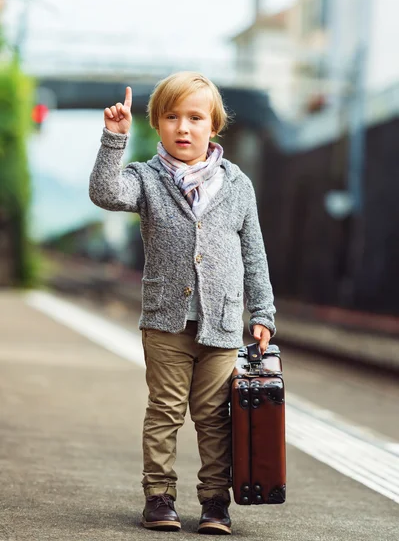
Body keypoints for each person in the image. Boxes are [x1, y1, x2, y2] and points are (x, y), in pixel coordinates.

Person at [89, 71, 276, 535]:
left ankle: (215, 503)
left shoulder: (237, 186)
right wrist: (114, 141)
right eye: (171, 117)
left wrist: (263, 313)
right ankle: (159, 497)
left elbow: (254, 255)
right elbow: (105, 193)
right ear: (156, 125)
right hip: (166, 323)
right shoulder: (145, 178)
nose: (183, 127)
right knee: (166, 411)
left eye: (195, 117)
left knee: (215, 418)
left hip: (223, 325)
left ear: (214, 126)